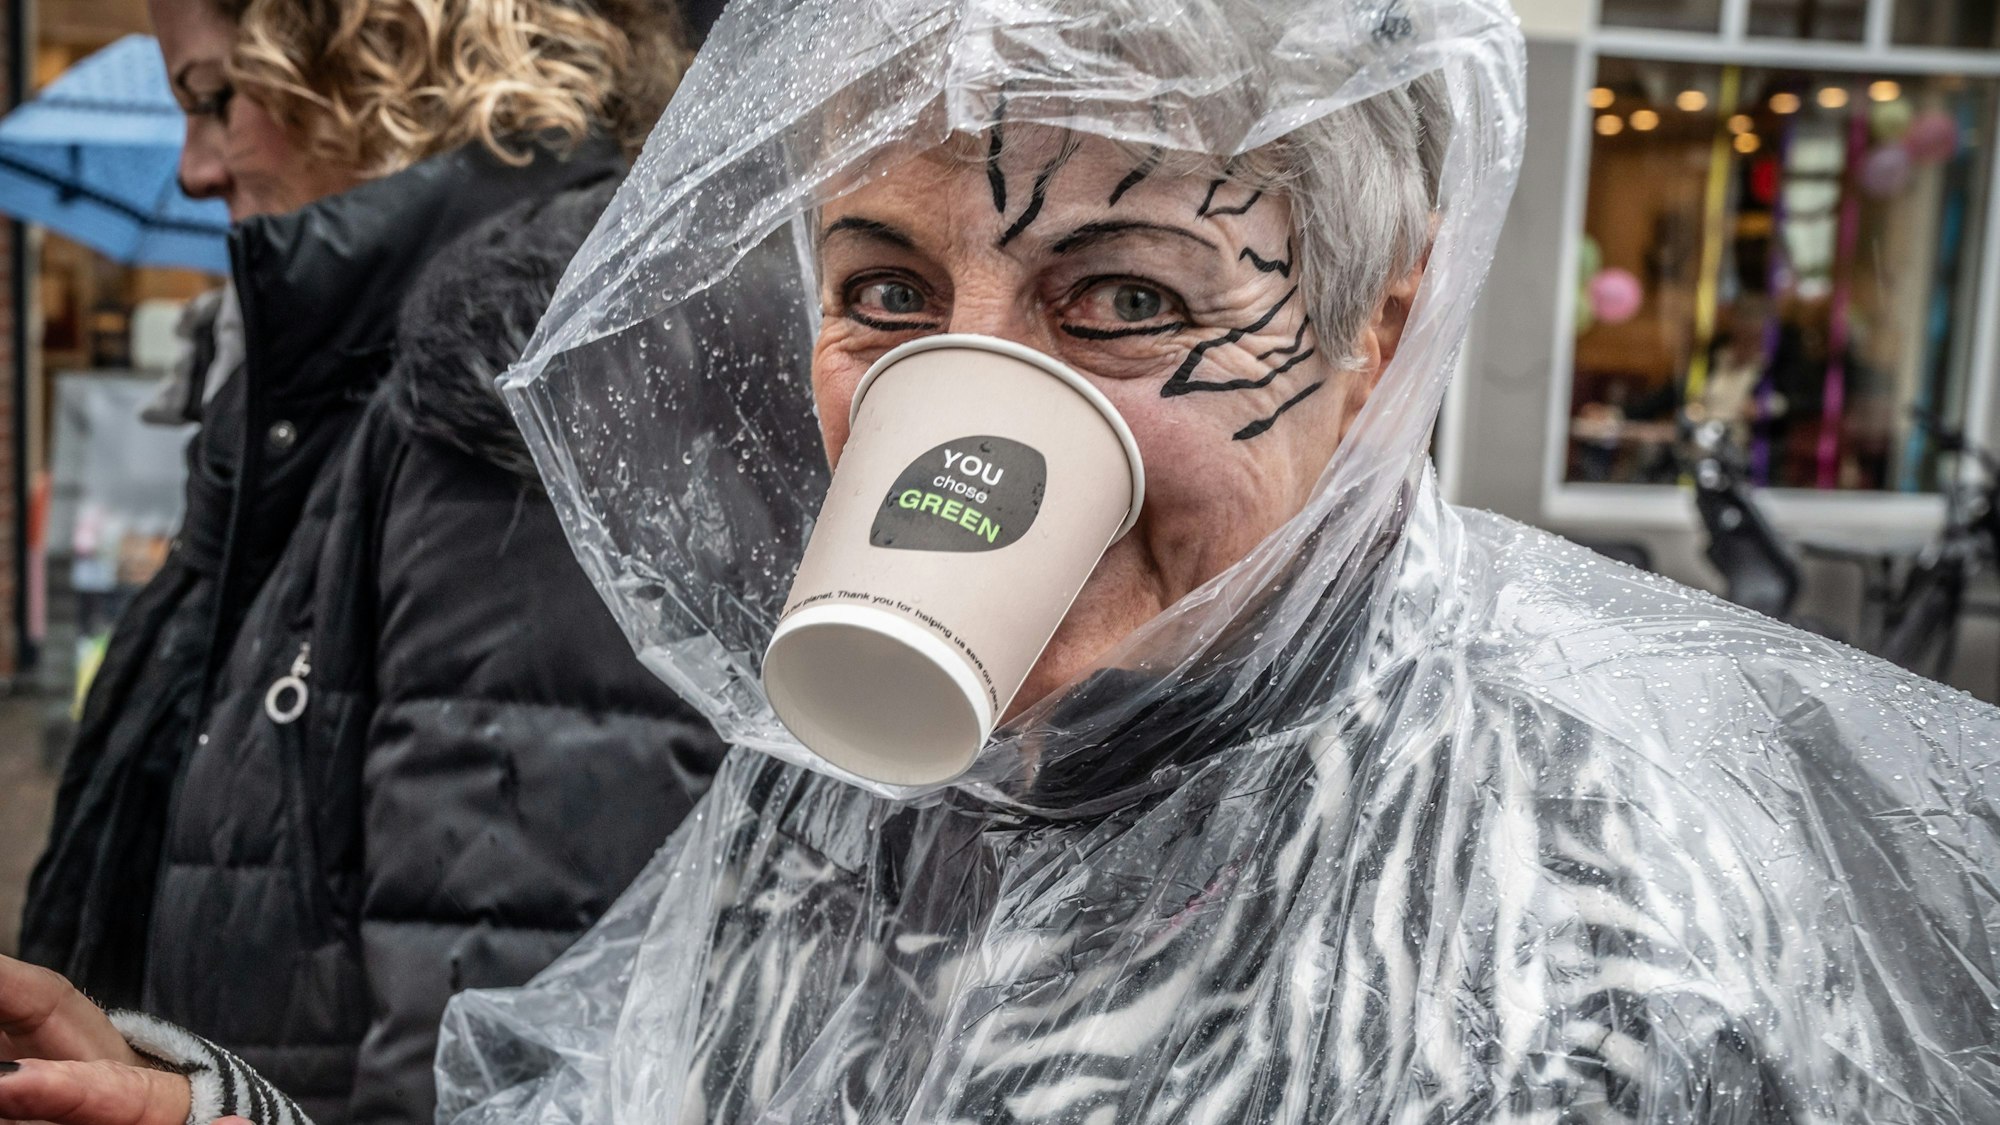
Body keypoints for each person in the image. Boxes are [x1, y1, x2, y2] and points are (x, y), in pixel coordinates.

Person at [7, 0, 2000, 1121]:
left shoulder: (1585, 897)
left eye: (1120, 294)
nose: (957, 404)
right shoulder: (865, 787)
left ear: (1378, 338)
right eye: (884, 284)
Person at [11, 0, 726, 1120]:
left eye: (211, 99)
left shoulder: (503, 384)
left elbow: (493, 1053)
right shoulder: (331, 391)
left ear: (378, 53)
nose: (196, 168)